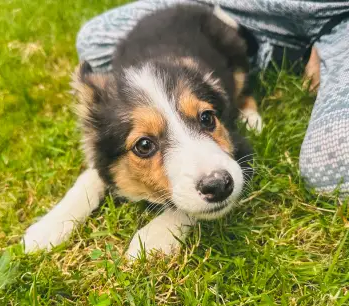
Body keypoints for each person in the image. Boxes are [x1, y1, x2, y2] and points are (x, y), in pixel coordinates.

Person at [76, 0, 349, 196]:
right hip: (224, 8)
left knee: (332, 167)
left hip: (330, 14)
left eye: (206, 118)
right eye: (145, 145)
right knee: (89, 40)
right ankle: (254, 39)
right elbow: (105, 156)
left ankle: (255, 84)